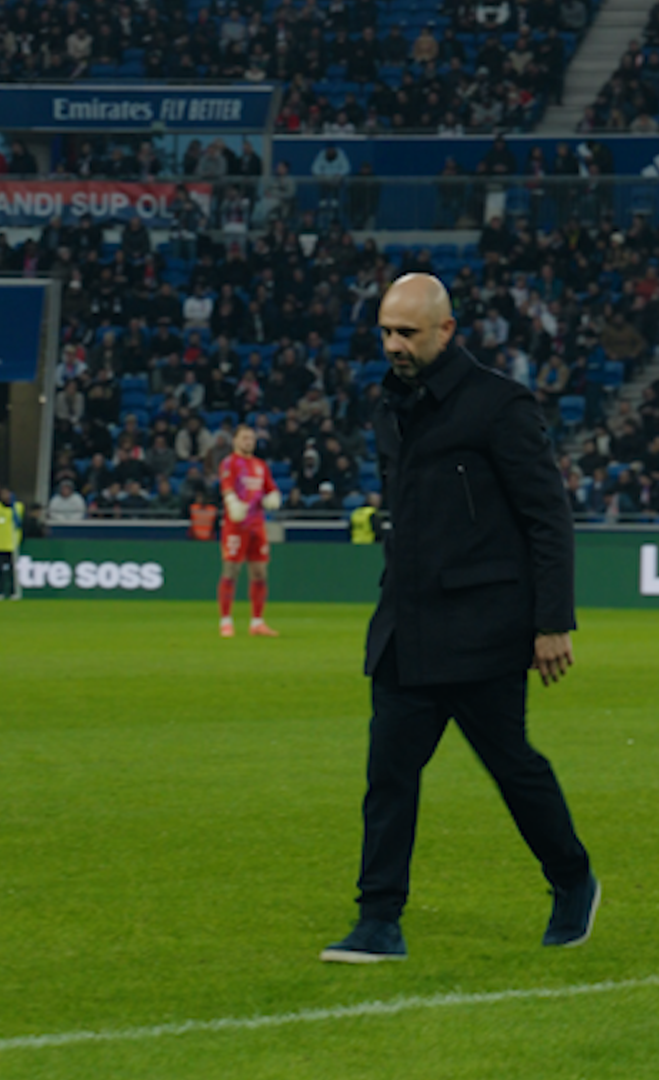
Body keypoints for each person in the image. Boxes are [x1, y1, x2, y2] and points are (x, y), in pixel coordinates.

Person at [321, 273, 596, 963]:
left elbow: (548, 517)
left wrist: (552, 621)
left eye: (407, 332)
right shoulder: (389, 405)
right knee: (388, 776)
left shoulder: (500, 405)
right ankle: (378, 919)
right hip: (405, 628)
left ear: (446, 331)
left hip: (483, 629)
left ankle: (572, 878)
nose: (393, 345)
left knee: (513, 769)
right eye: (385, 331)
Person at [218, 425, 282, 638]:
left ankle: (257, 622)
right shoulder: (230, 463)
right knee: (231, 571)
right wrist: (231, 501)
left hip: (257, 524)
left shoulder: (260, 465)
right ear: (235, 440)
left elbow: (270, 488)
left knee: (260, 572)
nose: (248, 441)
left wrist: (272, 497)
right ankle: (226, 621)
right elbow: (227, 486)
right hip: (236, 526)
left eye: (251, 438)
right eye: (244, 437)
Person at [0, 486, 24, 600]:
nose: (5, 496)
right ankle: (0, 592)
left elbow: (21, 524)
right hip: (0, 543)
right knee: (0, 571)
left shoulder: (18, 507)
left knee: (13, 571)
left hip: (13, 544)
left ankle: (13, 592)